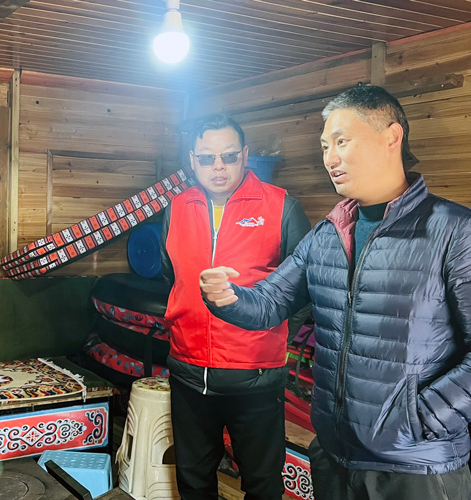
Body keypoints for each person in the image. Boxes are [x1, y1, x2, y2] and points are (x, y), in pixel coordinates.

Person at [200, 84, 471, 499]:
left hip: (416, 467)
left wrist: (423, 418)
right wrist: (228, 297)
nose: (330, 158)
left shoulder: (453, 231)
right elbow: (270, 303)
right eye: (325, 146)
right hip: (335, 453)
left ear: (392, 137)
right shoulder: (327, 235)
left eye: (342, 142)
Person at [160, 114, 311, 500]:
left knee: (262, 483)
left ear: (244, 155)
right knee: (193, 478)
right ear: (192, 160)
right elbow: (170, 275)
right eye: (206, 158)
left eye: (228, 156)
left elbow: (301, 289)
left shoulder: (281, 206)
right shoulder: (177, 207)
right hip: (189, 371)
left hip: (255, 375)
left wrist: (273, 337)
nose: (218, 167)